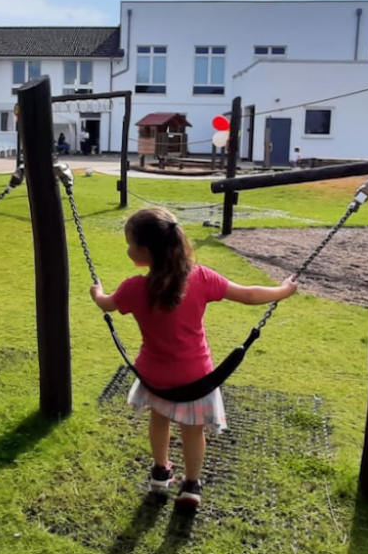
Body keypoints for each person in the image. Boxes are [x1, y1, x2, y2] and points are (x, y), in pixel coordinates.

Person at [89, 207, 298, 512]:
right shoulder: (200, 277)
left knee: (159, 419)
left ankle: (160, 473)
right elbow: (249, 294)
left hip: (154, 379)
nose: (127, 248)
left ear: (145, 252)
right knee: (193, 429)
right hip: (196, 380)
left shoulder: (133, 288)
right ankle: (191, 485)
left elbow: (105, 304)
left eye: (130, 243)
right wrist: (283, 290)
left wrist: (97, 291)